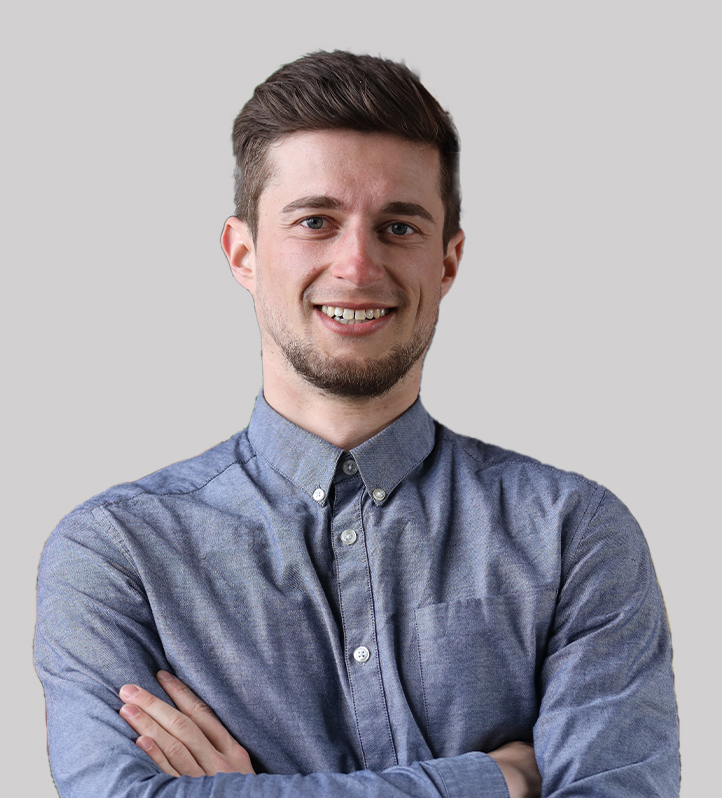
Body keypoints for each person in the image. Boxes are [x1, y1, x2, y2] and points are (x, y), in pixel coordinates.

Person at [34, 51, 680, 798]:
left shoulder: (573, 534)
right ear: (243, 253)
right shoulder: (118, 553)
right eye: (316, 221)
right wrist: (493, 780)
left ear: (448, 262)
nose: (357, 265)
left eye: (399, 226)